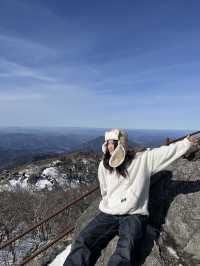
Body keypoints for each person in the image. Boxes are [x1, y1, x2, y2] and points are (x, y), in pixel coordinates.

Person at [63, 128, 198, 266]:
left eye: (113, 142)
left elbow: (166, 153)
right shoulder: (103, 166)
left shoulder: (142, 160)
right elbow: (104, 190)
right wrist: (109, 204)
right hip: (109, 213)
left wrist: (186, 143)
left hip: (134, 214)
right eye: (108, 143)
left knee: (125, 249)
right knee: (84, 239)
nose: (109, 146)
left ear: (121, 144)